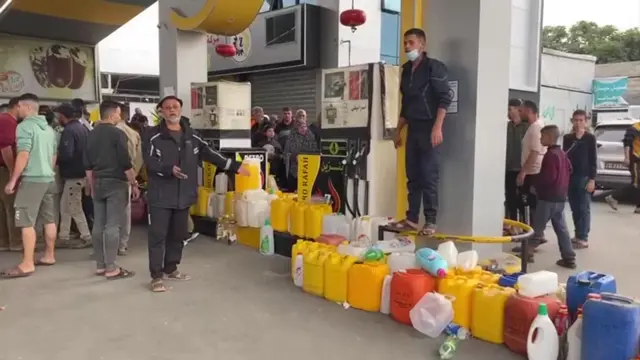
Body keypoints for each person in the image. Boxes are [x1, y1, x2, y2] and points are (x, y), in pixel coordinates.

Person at [144, 95, 248, 293]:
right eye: (167, 108)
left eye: (175, 107)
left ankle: (171, 268)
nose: (172, 110)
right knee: (157, 236)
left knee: (178, 234)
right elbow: (149, 163)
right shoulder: (153, 136)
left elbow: (211, 154)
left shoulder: (192, 136)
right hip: (160, 196)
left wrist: (235, 166)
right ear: (162, 112)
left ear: (181, 110)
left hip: (184, 195)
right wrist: (168, 169)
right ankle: (156, 276)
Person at [389, 27, 452, 235]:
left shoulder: (435, 67)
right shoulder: (406, 70)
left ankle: (431, 221)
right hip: (413, 129)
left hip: (429, 127)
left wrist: (438, 126)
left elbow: (445, 98)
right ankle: (412, 218)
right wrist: (398, 130)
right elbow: (405, 104)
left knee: (428, 176)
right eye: (405, 43)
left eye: (411, 43)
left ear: (422, 45)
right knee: (413, 176)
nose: (407, 46)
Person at [0, 93, 58, 278]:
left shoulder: (24, 127)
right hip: (49, 177)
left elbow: (23, 154)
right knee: (49, 219)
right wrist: (48, 170)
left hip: (32, 179)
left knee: (26, 221)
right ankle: (49, 255)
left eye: (20, 107)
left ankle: (27, 263)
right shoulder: (49, 129)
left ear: (28, 107)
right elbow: (53, 156)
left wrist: (13, 179)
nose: (18, 110)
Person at [84, 100, 139, 280]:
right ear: (113, 113)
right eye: (119, 113)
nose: (120, 116)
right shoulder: (117, 134)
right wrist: (134, 183)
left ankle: (100, 265)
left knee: (99, 224)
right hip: (116, 183)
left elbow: (87, 164)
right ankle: (111, 267)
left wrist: (91, 185)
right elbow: (125, 161)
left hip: (98, 182)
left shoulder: (90, 134)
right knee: (113, 225)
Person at [532, 125, 576, 269]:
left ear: (550, 138)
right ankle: (569, 258)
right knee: (561, 229)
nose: (540, 138)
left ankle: (527, 253)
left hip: (547, 197)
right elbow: (570, 169)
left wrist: (535, 185)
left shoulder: (550, 155)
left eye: (542, 136)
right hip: (560, 197)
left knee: (537, 227)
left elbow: (548, 177)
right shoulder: (562, 153)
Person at [56, 103, 92, 249]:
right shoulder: (83, 128)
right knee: (65, 206)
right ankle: (63, 236)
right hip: (83, 173)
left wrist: (55, 157)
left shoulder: (69, 131)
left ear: (63, 116)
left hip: (73, 175)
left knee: (74, 207)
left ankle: (86, 236)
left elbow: (67, 153)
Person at [563, 109, 597, 250]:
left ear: (586, 121)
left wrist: (592, 179)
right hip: (571, 176)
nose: (578, 123)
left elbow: (593, 159)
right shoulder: (568, 138)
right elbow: (565, 157)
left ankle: (583, 237)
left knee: (583, 208)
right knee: (574, 207)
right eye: (575, 120)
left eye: (581, 120)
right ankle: (577, 234)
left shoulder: (590, 138)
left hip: (584, 177)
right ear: (572, 121)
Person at [116, 108, 144, 256]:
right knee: (125, 212)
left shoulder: (110, 131)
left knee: (109, 213)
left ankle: (109, 245)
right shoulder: (134, 134)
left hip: (110, 177)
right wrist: (133, 177)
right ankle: (122, 244)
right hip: (128, 176)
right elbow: (139, 159)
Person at [0, 97, 22, 252]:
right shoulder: (8, 121)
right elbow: (6, 147)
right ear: (17, 106)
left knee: (2, 207)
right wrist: (13, 172)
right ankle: (15, 242)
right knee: (12, 206)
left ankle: (3, 241)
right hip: (4, 169)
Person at [605, 121, 640, 214]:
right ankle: (613, 197)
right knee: (636, 183)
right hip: (635, 159)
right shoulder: (635, 128)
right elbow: (627, 143)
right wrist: (627, 158)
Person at [505, 99, 529, 222]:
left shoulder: (526, 127)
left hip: (522, 169)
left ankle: (525, 224)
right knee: (510, 198)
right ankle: (512, 223)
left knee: (523, 199)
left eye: (510, 109)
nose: (508, 112)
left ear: (517, 109)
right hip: (509, 168)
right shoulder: (507, 126)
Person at [283, 116, 319, 191]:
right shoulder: (291, 137)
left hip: (308, 169)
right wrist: (294, 156)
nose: (303, 129)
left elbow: (315, 150)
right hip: (294, 170)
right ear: (297, 128)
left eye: (305, 126)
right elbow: (286, 153)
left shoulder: (311, 136)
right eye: (301, 127)